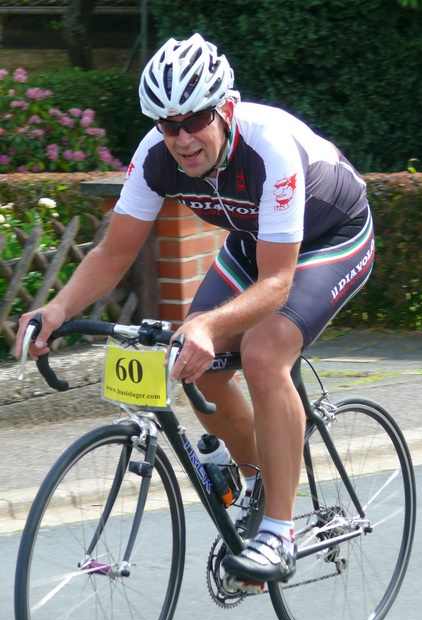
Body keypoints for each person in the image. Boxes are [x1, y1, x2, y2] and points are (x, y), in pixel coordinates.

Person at [16, 33, 375, 586]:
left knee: (264, 352)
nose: (182, 138)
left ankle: (279, 534)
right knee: (196, 363)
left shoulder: (270, 147)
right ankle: (257, 484)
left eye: (195, 120)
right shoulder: (154, 157)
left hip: (331, 238)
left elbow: (277, 282)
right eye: (168, 125)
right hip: (255, 240)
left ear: (225, 109)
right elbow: (114, 251)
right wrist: (58, 309)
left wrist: (209, 323)